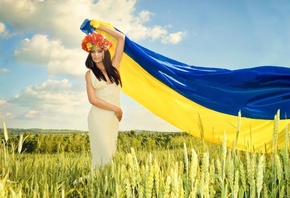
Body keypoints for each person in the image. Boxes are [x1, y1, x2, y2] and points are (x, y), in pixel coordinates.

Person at [81, 19, 125, 170]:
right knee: (103, 155)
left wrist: (101, 28)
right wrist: (116, 109)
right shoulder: (89, 74)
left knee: (110, 154)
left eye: (99, 50)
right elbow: (92, 100)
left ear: (105, 51)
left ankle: (102, 186)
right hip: (98, 117)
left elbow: (121, 38)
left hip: (112, 119)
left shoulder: (115, 67)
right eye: (92, 51)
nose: (96, 54)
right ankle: (95, 184)